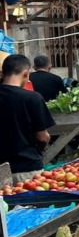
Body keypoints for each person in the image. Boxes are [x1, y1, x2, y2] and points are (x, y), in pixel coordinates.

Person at [0, 54, 55, 184]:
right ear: (26, 73)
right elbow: (43, 137)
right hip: (26, 169)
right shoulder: (32, 98)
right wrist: (39, 149)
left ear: (3, 73)